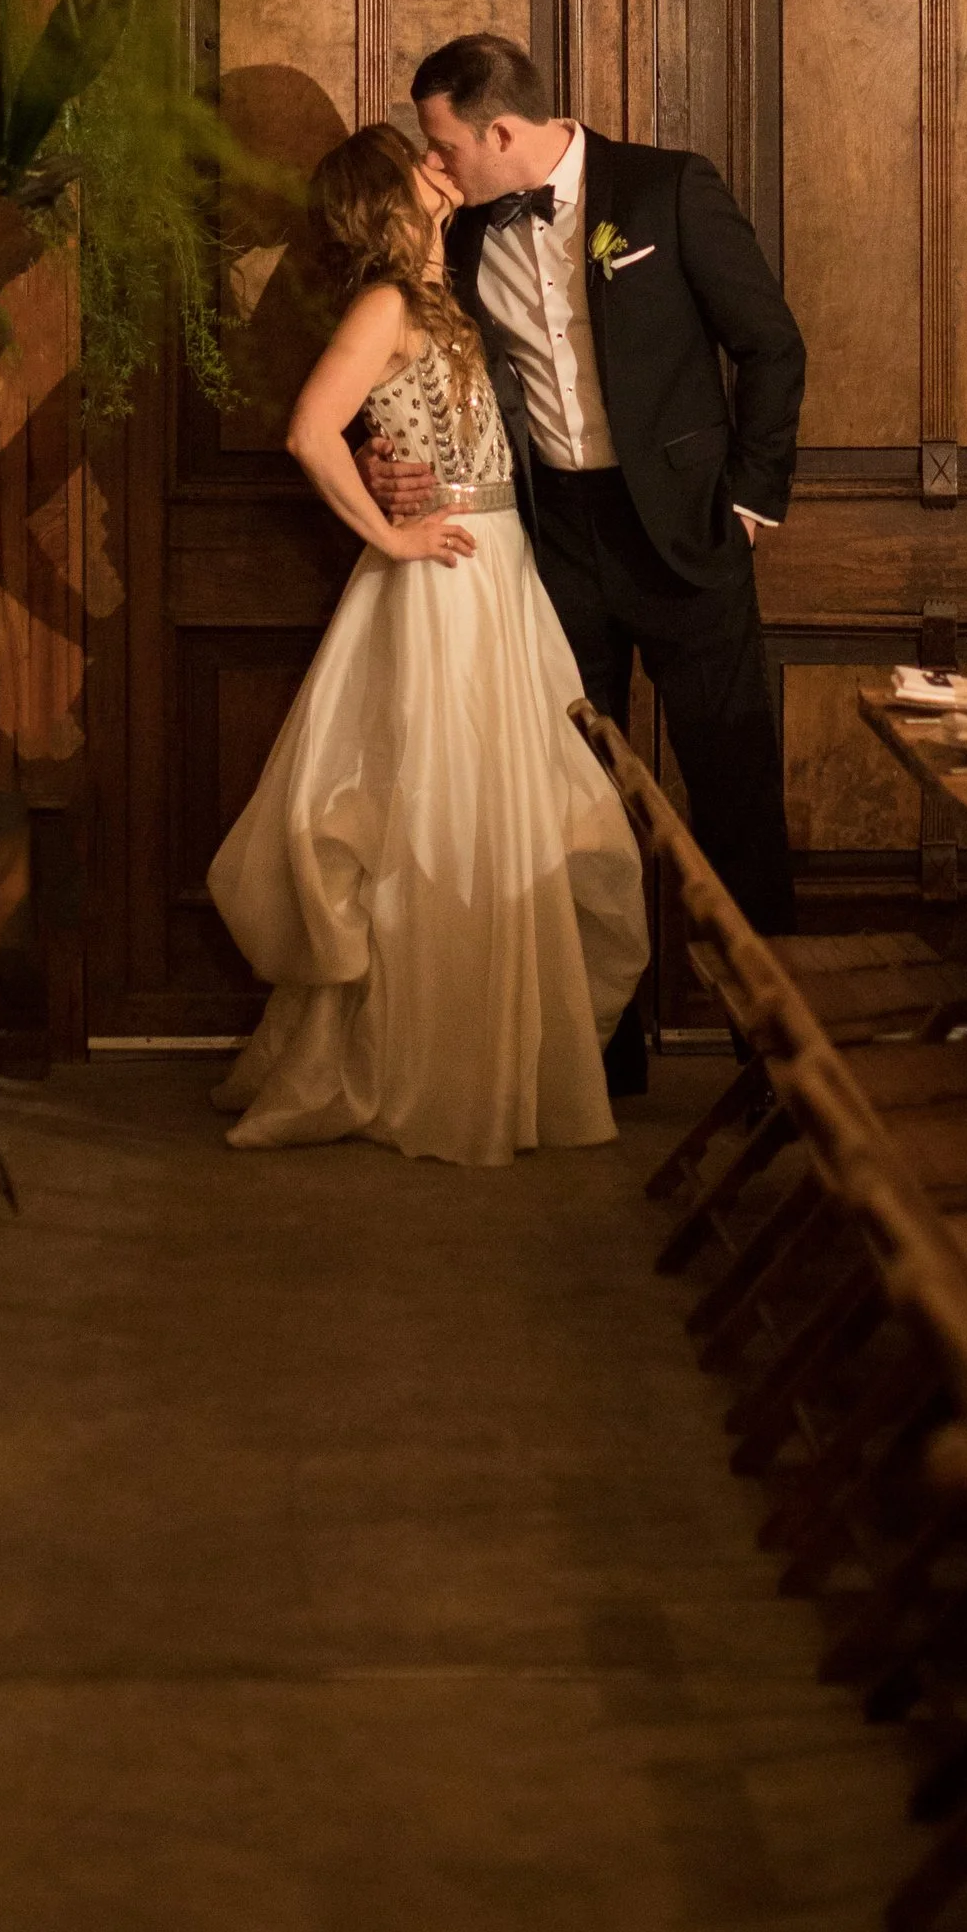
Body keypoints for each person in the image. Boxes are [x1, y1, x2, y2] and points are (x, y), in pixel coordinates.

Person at [359, 34, 805, 1095]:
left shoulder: (667, 189)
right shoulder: (457, 235)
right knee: (571, 802)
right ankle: (594, 1052)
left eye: (444, 144)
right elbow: (414, 361)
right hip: (553, 545)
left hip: (692, 540)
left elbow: (772, 345)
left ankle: (780, 1069)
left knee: (733, 801)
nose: (436, 166)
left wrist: (746, 505)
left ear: (499, 132)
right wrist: (381, 456)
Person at [206, 122, 651, 1165]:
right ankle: (430, 1066)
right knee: (434, 818)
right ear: (390, 194)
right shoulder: (387, 304)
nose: (440, 167)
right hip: (444, 577)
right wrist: (388, 529)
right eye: (423, 160)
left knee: (511, 811)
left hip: (497, 574)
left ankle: (493, 1058)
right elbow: (311, 427)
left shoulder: (435, 293)